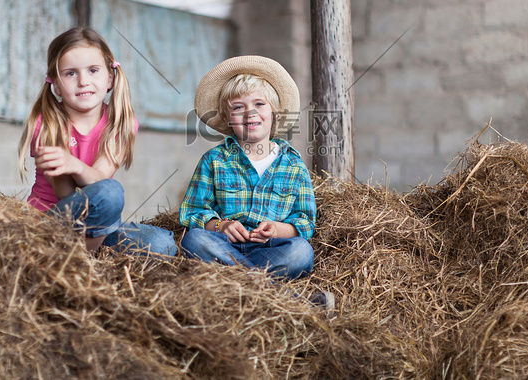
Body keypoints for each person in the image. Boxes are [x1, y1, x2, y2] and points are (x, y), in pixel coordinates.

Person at [18, 26, 176, 256]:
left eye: (93, 70)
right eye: (71, 73)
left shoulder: (121, 121)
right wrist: (68, 168)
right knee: (110, 193)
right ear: (56, 85)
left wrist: (74, 165)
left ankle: (81, 253)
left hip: (96, 226)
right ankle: (80, 264)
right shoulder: (47, 123)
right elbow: (64, 192)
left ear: (110, 78)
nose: (83, 81)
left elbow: (100, 179)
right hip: (50, 222)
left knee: (162, 244)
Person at [179, 55, 318, 280]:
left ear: (274, 111)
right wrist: (221, 226)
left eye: (259, 104)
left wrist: (276, 229)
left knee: (301, 252)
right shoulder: (214, 160)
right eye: (238, 107)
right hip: (225, 247)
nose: (250, 113)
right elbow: (192, 212)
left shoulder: (293, 165)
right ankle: (266, 287)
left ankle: (238, 280)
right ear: (227, 118)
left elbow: (305, 222)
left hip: (272, 249)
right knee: (194, 240)